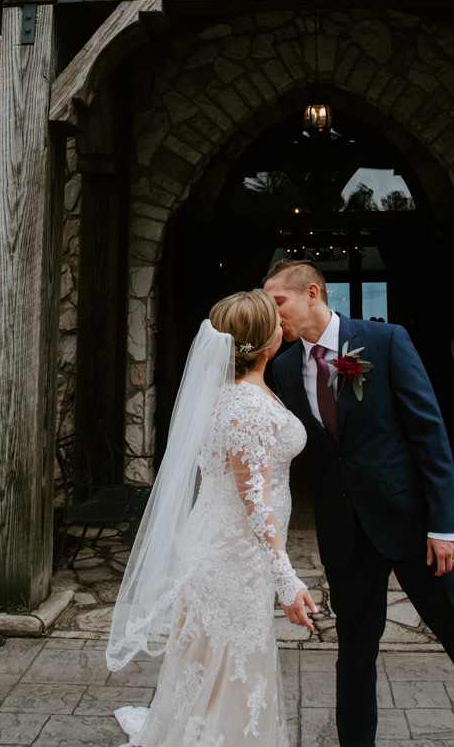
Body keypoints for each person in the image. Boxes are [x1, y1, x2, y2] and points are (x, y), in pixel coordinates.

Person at [265, 258, 454, 747]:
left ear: (312, 294)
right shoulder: (282, 367)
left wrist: (445, 525)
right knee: (354, 659)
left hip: (415, 530)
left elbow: (429, 435)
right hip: (346, 538)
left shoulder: (384, 342)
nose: (272, 312)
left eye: (278, 301)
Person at [106, 288, 316, 747]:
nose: (284, 324)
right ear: (265, 345)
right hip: (234, 556)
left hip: (224, 544)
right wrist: (288, 581)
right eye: (275, 322)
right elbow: (254, 501)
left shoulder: (232, 396)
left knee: (216, 655)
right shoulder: (248, 408)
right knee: (232, 654)